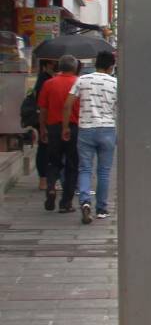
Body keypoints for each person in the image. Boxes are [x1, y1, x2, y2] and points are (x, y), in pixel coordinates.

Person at [65, 50, 118, 224]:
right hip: (107, 130)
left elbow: (68, 104)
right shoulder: (114, 82)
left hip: (85, 129)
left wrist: (65, 126)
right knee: (103, 172)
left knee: (85, 169)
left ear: (96, 64)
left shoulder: (82, 80)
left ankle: (85, 201)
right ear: (111, 66)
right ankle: (101, 209)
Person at [39, 55, 80, 213]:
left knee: (53, 161)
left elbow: (43, 109)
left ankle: (50, 187)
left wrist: (43, 129)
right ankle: (66, 202)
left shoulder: (49, 83)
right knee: (72, 165)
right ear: (74, 68)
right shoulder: (79, 83)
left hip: (54, 127)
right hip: (74, 128)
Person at [32, 59, 56, 191]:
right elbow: (42, 104)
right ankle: (43, 179)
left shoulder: (47, 78)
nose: (55, 65)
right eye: (53, 63)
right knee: (44, 149)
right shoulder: (44, 79)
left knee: (46, 149)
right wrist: (43, 126)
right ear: (47, 64)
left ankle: (46, 179)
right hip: (44, 119)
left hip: (47, 119)